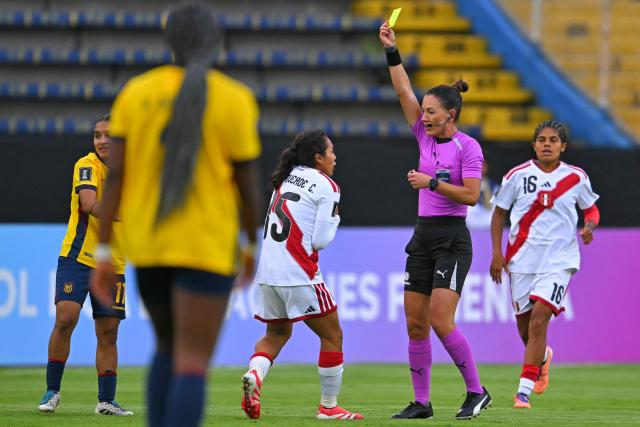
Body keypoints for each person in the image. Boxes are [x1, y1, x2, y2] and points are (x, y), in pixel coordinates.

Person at [89, 2, 262, 426]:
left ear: (169, 41)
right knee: (192, 359)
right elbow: (247, 187)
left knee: (166, 348)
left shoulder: (136, 92)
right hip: (206, 244)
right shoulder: (233, 98)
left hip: (150, 244)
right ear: (212, 40)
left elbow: (117, 179)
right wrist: (249, 243)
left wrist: (106, 249)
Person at [379, 22, 491, 420]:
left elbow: (473, 196)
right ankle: (422, 403)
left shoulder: (468, 147)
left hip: (452, 239)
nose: (422, 116)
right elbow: (402, 91)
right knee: (415, 324)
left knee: (441, 319)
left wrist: (432, 183)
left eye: (431, 112)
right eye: (423, 111)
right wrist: (392, 50)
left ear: (451, 115)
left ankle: (477, 391)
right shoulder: (425, 137)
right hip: (423, 237)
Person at [240, 130, 363, 421]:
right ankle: (329, 407)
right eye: (331, 151)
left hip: (268, 273)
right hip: (299, 272)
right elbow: (320, 240)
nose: (335, 157)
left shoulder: (285, 176)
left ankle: (254, 375)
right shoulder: (327, 185)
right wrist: (336, 217)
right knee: (333, 335)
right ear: (318, 158)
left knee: (277, 332)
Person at [490, 120, 599, 409]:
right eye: (541, 139)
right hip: (522, 261)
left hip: (559, 261)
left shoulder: (576, 177)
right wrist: (497, 254)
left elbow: (591, 209)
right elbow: (499, 214)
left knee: (540, 321)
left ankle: (522, 392)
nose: (547, 144)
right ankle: (543, 357)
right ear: (534, 144)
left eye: (553, 140)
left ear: (563, 146)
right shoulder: (516, 175)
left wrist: (589, 225)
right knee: (526, 331)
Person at [38, 115, 133, 416]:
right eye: (96, 135)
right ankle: (52, 391)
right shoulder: (87, 165)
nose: (102, 140)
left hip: (113, 261)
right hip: (77, 256)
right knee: (66, 318)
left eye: (108, 135)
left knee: (109, 333)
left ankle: (106, 401)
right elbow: (90, 205)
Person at [466, 159, 498, 230]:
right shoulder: (463, 186)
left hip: (489, 229)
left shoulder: (495, 187)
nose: (479, 167)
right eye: (476, 165)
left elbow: (497, 213)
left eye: (482, 165)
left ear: (486, 167)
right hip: (470, 229)